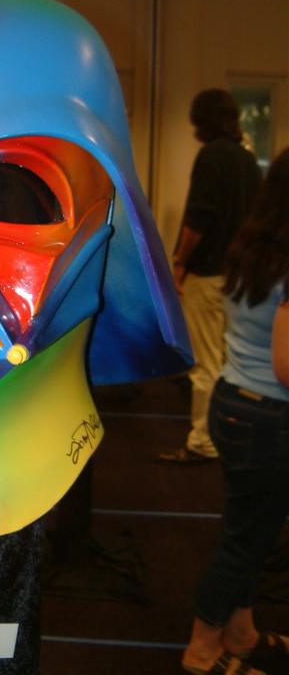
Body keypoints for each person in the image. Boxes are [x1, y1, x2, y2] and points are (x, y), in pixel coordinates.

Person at [181, 146, 289, 675]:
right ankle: (202, 651)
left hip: (236, 404)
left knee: (250, 530)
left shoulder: (252, 249)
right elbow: (287, 365)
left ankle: (240, 633)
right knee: (245, 542)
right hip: (267, 418)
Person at [160, 89, 262, 463]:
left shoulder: (211, 156)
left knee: (204, 363)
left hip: (206, 275)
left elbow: (198, 220)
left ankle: (203, 441)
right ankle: (229, 434)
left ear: (201, 121)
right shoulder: (248, 160)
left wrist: (179, 262)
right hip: (237, 276)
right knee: (227, 359)